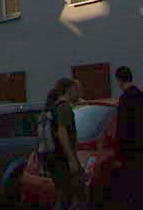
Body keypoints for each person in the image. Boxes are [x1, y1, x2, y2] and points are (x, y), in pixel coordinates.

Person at [113, 66, 143, 210]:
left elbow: (122, 128)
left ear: (119, 80)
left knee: (131, 193)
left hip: (129, 154)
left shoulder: (124, 100)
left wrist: (119, 155)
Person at [45, 77, 86, 210]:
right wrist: (71, 159)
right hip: (64, 160)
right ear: (69, 90)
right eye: (75, 89)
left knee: (65, 196)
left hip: (56, 160)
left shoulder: (54, 107)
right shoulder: (64, 108)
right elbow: (62, 132)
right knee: (80, 195)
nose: (78, 92)